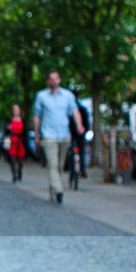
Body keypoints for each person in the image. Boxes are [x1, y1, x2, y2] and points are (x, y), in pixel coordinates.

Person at [33, 71, 86, 203]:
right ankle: (59, 191)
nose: (54, 81)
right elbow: (37, 116)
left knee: (60, 166)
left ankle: (53, 186)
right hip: (48, 135)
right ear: (48, 81)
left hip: (64, 135)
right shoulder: (41, 96)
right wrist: (36, 134)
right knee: (53, 164)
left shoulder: (67, 96)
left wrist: (79, 125)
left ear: (59, 80)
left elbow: (75, 111)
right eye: (51, 79)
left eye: (56, 78)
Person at [4, 104, 30, 182]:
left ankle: (20, 170)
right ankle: (14, 173)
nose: (16, 111)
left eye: (17, 109)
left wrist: (26, 143)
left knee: (20, 160)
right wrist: (8, 129)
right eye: (14, 110)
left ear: (19, 111)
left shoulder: (23, 121)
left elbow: (25, 133)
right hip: (12, 141)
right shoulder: (10, 120)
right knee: (12, 158)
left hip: (20, 142)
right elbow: (5, 132)